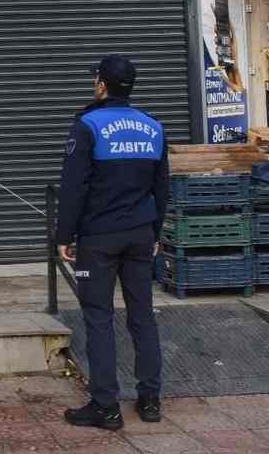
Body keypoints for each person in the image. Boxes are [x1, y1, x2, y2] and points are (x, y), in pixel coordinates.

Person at [55, 54, 169, 431]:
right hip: (140, 235)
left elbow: (74, 187)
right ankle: (150, 400)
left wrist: (64, 236)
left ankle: (105, 407)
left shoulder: (87, 125)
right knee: (142, 316)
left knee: (99, 318)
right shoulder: (153, 128)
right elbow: (161, 188)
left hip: (99, 239)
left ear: (102, 85)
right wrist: (155, 234)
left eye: (95, 80)